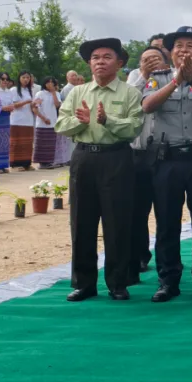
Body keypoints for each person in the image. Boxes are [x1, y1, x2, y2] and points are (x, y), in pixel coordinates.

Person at [141, 26, 192, 302]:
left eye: (191, 46)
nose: (184, 51)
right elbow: (147, 106)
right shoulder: (157, 78)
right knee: (167, 222)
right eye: (179, 46)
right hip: (167, 160)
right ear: (170, 52)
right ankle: (168, 280)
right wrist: (175, 81)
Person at [56, 38, 144, 302]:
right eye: (95, 57)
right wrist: (80, 122)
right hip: (84, 158)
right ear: (88, 63)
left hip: (116, 158)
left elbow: (134, 128)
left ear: (119, 63)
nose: (100, 62)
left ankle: (118, 283)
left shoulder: (130, 94)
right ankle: (84, 283)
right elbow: (61, 124)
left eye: (107, 57)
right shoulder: (78, 92)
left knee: (117, 221)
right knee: (81, 221)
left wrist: (108, 120)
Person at [129, 46, 168, 286]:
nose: (151, 62)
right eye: (146, 59)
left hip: (165, 155)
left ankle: (167, 263)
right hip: (138, 153)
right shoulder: (135, 76)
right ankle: (138, 258)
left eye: (156, 58)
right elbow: (127, 101)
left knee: (165, 212)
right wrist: (143, 75)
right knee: (136, 212)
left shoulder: (173, 77)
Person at [8, 71, 36, 171]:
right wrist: (26, 102)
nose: (26, 79)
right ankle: (15, 164)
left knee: (27, 143)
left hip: (28, 120)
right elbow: (13, 105)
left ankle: (26, 163)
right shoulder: (14, 90)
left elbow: (30, 105)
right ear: (19, 78)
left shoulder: (30, 90)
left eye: (28, 78)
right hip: (17, 120)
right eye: (23, 77)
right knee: (16, 142)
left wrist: (34, 104)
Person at [31, 78, 61, 168]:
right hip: (42, 122)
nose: (50, 84)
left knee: (51, 143)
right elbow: (35, 108)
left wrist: (53, 92)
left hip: (53, 121)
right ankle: (42, 163)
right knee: (42, 143)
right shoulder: (40, 93)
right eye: (48, 82)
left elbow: (57, 105)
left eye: (52, 82)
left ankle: (49, 161)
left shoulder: (56, 94)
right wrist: (44, 118)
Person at [0, 73, 15, 173]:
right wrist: (3, 108)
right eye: (3, 79)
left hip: (6, 117)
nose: (5, 81)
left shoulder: (9, 91)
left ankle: (4, 165)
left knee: (5, 141)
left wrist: (11, 107)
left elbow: (11, 103)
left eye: (7, 79)